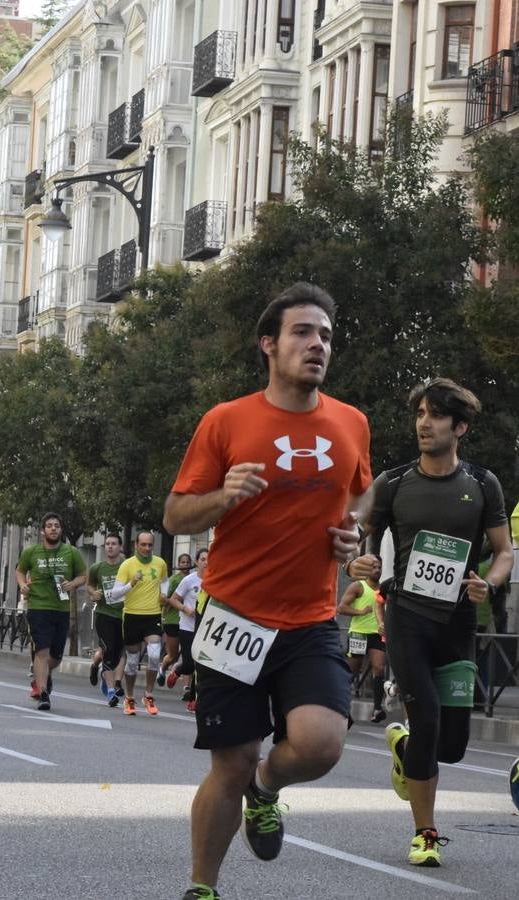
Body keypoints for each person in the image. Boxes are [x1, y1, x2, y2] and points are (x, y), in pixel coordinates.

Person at [162, 283, 371, 900]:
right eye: (303, 333)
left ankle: (267, 787)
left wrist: (352, 537)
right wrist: (224, 497)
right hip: (234, 618)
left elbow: (359, 494)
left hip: (308, 620)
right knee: (227, 762)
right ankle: (203, 887)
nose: (317, 345)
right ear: (269, 345)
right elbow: (176, 515)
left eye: (326, 336)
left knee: (321, 743)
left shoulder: (351, 422)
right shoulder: (225, 421)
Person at [348, 378, 511, 868]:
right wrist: (358, 563)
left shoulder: (482, 484)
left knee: (455, 746)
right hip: (406, 616)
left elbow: (503, 552)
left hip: (458, 619)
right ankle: (425, 833)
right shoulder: (393, 483)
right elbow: (352, 537)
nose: (424, 423)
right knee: (428, 719)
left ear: (459, 427)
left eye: (436, 415)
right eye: (420, 413)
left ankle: (403, 745)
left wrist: (490, 582)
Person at [16, 513, 87, 712]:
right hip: (38, 607)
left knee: (55, 656)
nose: (53, 528)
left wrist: (72, 584)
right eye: (49, 526)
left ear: (61, 530)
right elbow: (20, 571)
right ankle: (43, 694)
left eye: (56, 525)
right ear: (42, 531)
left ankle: (43, 674)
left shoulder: (71, 552)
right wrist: (22, 585)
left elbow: (83, 576)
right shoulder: (32, 552)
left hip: (61, 608)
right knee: (42, 651)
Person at [104, 531, 170, 717]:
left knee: (155, 654)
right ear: (136, 545)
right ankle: (130, 697)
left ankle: (148, 695)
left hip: (153, 615)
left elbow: (164, 581)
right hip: (132, 616)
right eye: (143, 545)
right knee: (132, 662)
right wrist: (130, 584)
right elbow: (114, 594)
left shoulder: (160, 563)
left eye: (150, 545)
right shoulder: (127, 565)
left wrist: (163, 594)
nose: (147, 549)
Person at [336, 576, 386, 723]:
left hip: (377, 634)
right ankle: (341, 707)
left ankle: (377, 709)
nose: (377, 569)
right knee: (351, 671)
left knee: (379, 667)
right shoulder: (358, 586)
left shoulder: (384, 588)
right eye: (373, 566)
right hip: (358, 633)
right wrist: (361, 612)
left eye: (379, 567)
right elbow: (341, 607)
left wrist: (385, 624)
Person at [165, 548, 209, 713]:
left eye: (209, 559)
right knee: (190, 664)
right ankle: (177, 670)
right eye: (203, 559)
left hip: (205, 629)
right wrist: (185, 609)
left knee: (201, 666)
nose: (206, 562)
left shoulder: (214, 581)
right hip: (187, 627)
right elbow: (173, 599)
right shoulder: (189, 580)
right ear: (197, 562)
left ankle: (193, 699)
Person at [87, 533, 127, 707]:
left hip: (124, 615)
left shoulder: (127, 567)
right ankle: (112, 691)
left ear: (120, 547)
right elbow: (90, 585)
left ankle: (95, 665)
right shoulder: (97, 568)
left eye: (114, 544)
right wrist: (93, 593)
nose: (110, 546)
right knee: (108, 649)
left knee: (118, 652)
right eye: (108, 544)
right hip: (104, 614)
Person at [161, 553, 193, 678]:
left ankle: (186, 688)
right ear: (178, 564)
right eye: (183, 562)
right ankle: (162, 668)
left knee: (189, 656)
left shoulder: (194, 579)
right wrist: (178, 602)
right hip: (172, 620)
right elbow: (164, 600)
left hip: (188, 622)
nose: (185, 565)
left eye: (187, 562)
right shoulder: (173, 580)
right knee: (173, 656)